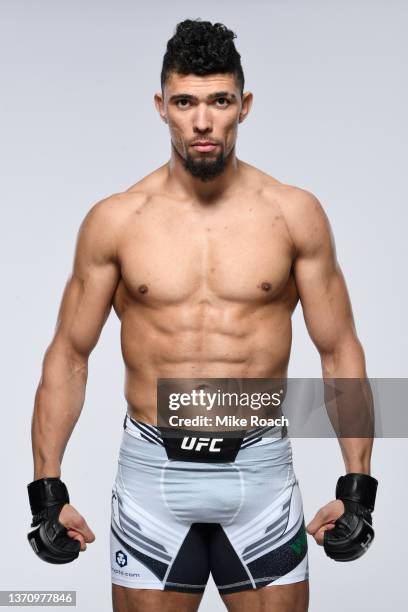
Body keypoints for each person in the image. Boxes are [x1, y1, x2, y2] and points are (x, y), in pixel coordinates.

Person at [27, 19, 378, 612]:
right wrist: (46, 490)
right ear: (161, 106)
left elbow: (339, 348)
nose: (203, 121)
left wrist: (359, 488)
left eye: (219, 101)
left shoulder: (295, 215)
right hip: (151, 480)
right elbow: (69, 353)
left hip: (261, 474)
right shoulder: (116, 221)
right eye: (186, 102)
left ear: (244, 105)